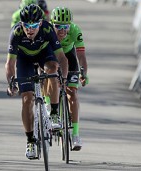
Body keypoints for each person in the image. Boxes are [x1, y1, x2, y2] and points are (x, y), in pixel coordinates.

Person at [5, 4, 68, 159]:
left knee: (52, 70)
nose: (30, 29)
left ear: (40, 23)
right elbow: (10, 63)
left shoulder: (47, 29)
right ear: (22, 24)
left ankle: (53, 113)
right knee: (27, 99)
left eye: (34, 25)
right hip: (24, 59)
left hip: (43, 54)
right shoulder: (16, 32)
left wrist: (64, 78)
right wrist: (11, 83)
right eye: (27, 25)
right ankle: (30, 140)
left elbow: (61, 57)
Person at [50, 7, 89, 151]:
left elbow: (81, 56)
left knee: (72, 93)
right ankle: (50, 111)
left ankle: (75, 134)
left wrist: (83, 73)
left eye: (65, 26)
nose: (62, 31)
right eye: (58, 26)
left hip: (69, 56)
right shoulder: (47, 31)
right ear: (52, 24)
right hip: (51, 57)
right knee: (48, 80)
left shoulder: (75, 30)